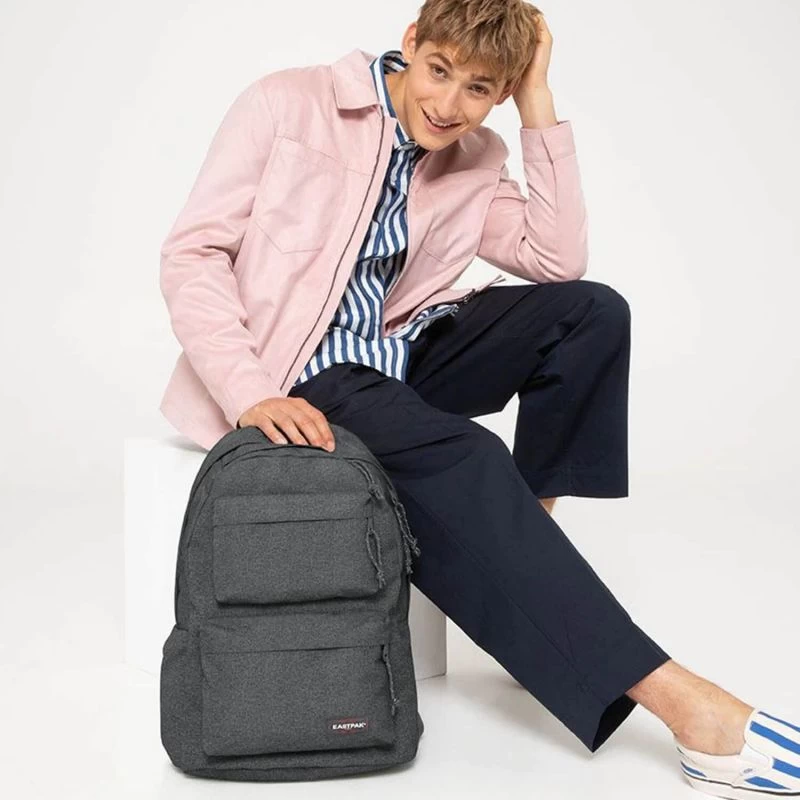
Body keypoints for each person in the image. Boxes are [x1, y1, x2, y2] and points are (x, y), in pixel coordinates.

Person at [158, 1, 800, 795]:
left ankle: (530, 567)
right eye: (439, 71)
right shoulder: (288, 104)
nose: (448, 104)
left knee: (591, 314)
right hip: (298, 371)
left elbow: (556, 259)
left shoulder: (474, 153)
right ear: (411, 43)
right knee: (470, 456)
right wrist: (249, 390)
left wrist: (537, 104)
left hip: (398, 354)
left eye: (479, 89)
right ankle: (689, 709)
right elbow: (193, 253)